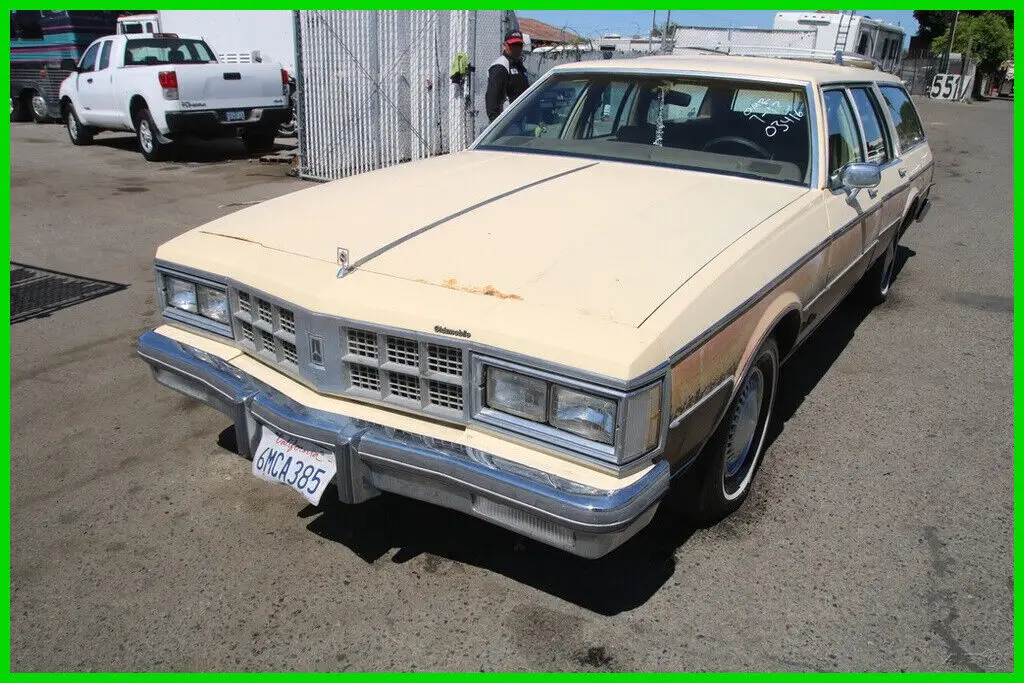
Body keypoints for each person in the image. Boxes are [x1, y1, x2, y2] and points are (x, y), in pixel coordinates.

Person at [486, 30, 529, 122]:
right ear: (505, 45)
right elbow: (492, 99)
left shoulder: (519, 65)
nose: (516, 48)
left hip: (521, 118)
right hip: (507, 121)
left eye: (519, 45)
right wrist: (497, 125)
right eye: (513, 45)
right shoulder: (500, 66)